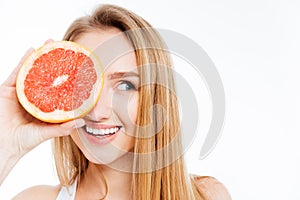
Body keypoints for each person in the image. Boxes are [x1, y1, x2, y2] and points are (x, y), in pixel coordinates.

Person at [0, 4, 231, 200]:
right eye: (83, 85)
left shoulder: (204, 195)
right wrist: (6, 144)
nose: (98, 112)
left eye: (125, 86)